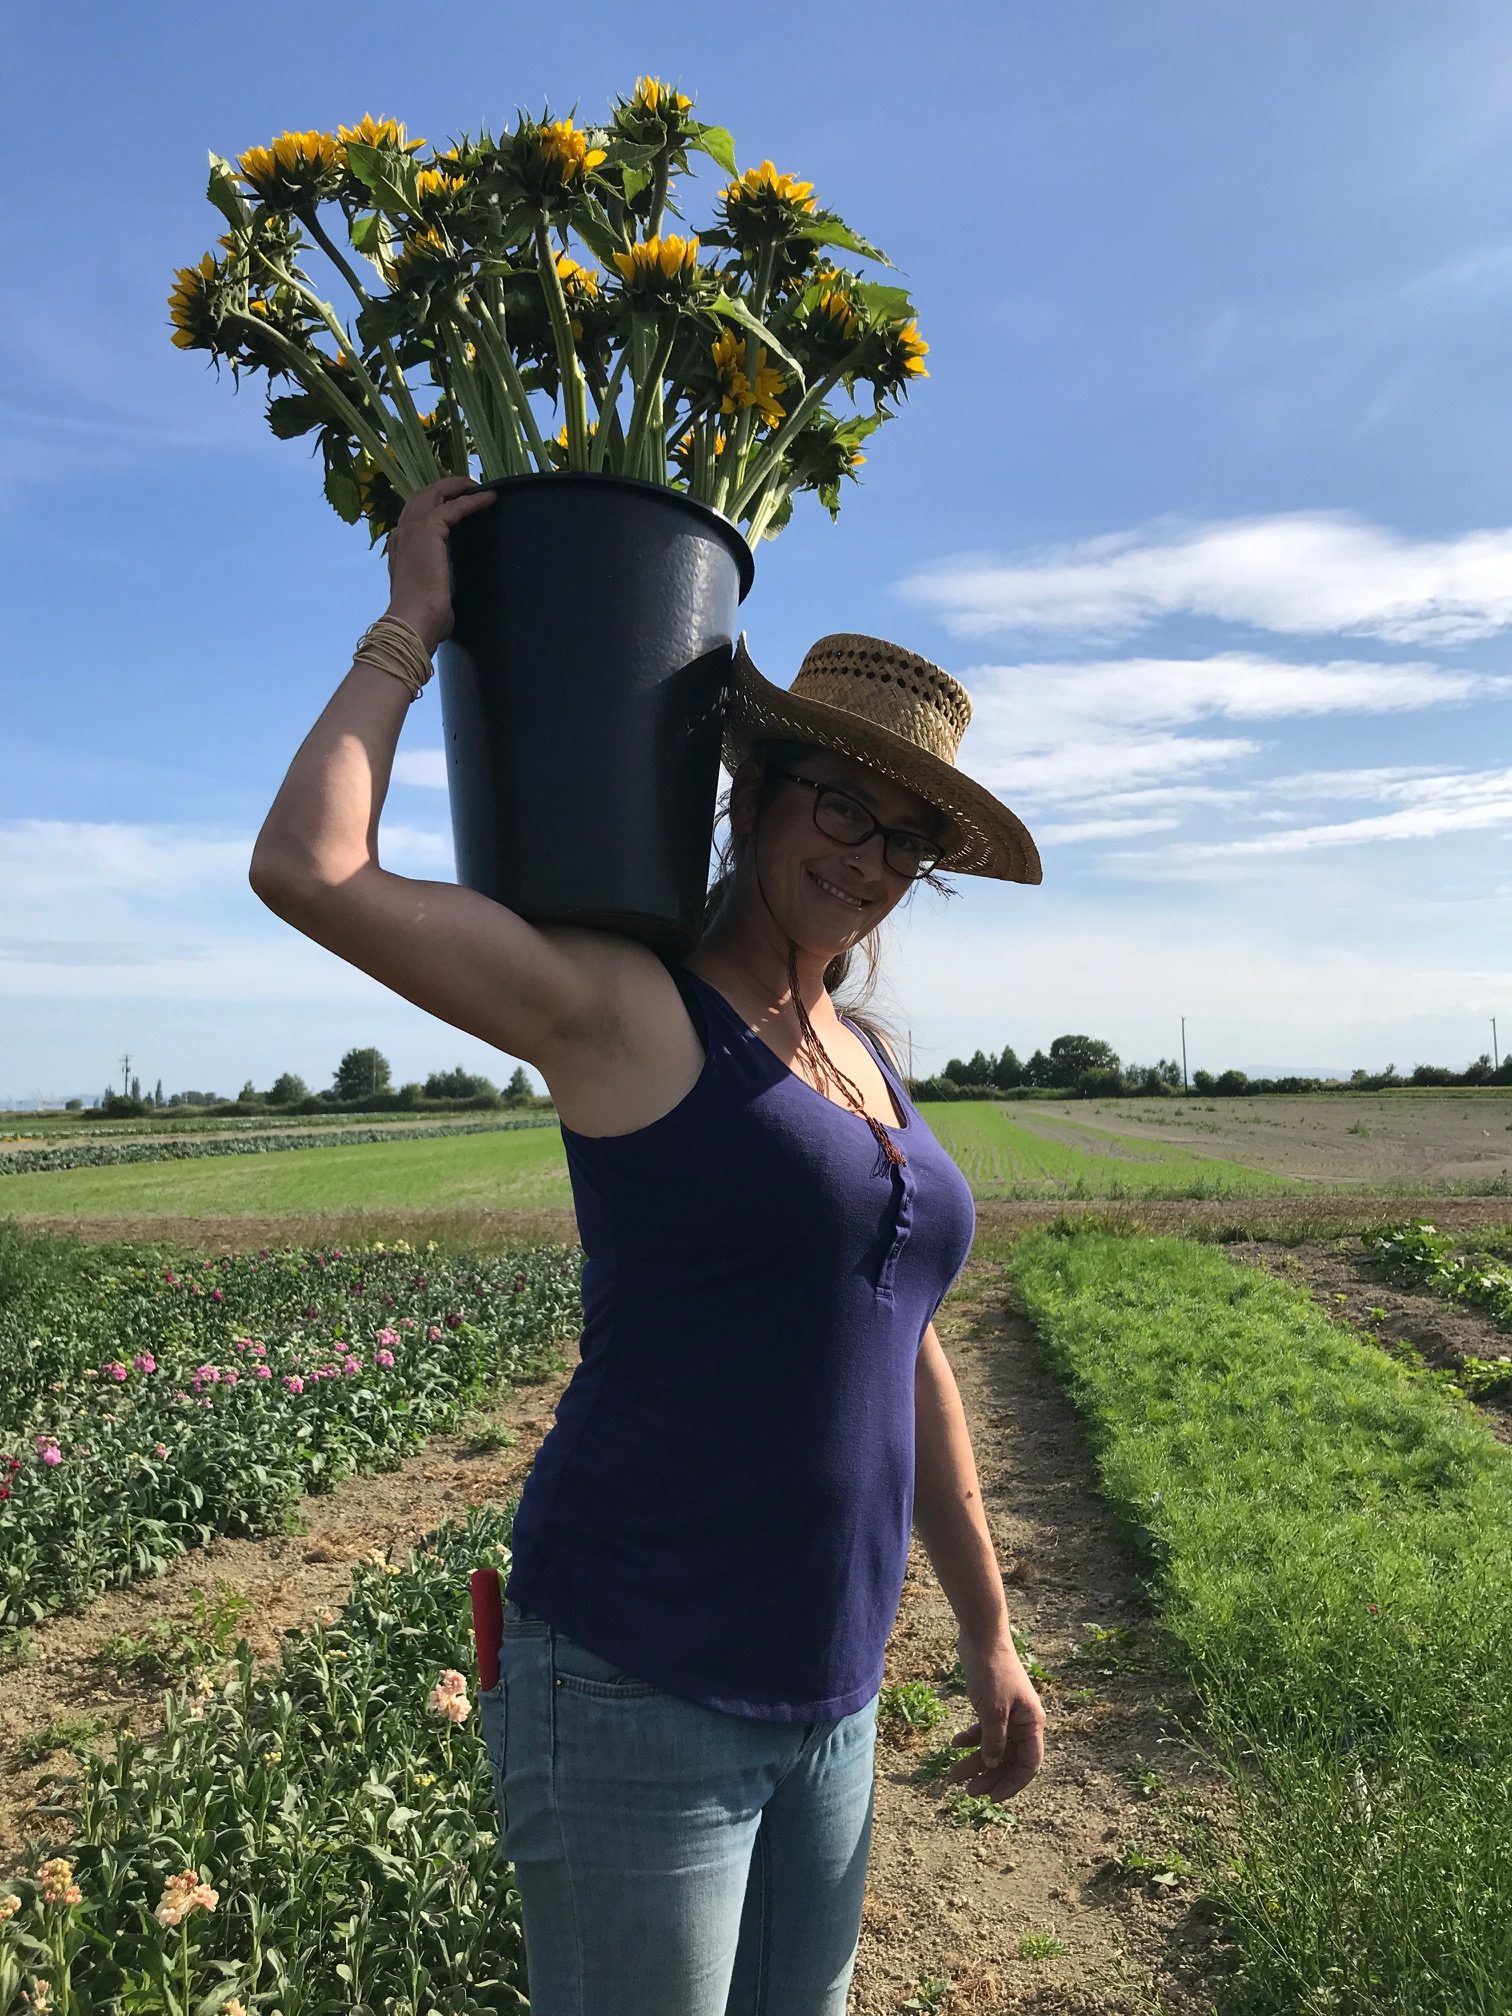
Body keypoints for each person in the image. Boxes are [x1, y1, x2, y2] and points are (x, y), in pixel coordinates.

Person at [249, 476, 1049, 2016]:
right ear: (755, 790)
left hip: (832, 1696)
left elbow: (904, 1346)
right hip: (635, 1679)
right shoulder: (627, 1008)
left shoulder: (863, 1056)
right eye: (841, 807)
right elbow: (313, 870)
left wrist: (989, 1629)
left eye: (904, 841)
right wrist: (409, 624)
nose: (869, 861)